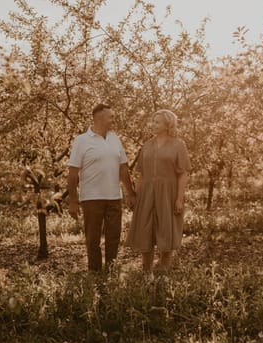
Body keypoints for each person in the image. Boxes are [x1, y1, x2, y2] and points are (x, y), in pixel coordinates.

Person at [67, 103, 136, 272]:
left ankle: (111, 271)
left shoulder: (115, 138)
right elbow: (73, 173)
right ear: (99, 117)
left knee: (114, 237)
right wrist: (73, 201)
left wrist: (130, 193)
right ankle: (95, 273)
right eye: (110, 116)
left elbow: (123, 168)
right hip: (91, 198)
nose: (114, 120)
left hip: (114, 197)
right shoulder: (81, 141)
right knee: (93, 240)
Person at [125, 109, 191, 275]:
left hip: (168, 193)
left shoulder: (178, 145)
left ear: (167, 124)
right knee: (145, 231)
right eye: (153, 122)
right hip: (146, 193)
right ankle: (146, 272)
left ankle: (163, 271)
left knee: (166, 230)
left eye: (157, 122)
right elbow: (141, 174)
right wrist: (135, 196)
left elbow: (183, 173)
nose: (153, 125)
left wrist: (179, 199)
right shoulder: (147, 145)